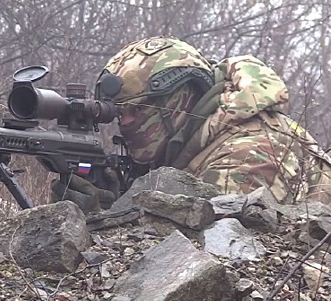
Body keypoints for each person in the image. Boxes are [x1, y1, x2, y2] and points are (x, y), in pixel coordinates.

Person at [51, 36, 331, 213]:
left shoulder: (250, 152)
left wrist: (105, 216)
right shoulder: (188, 145)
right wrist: (115, 198)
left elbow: (207, 261)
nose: (124, 123)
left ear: (183, 97)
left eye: (137, 109)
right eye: (118, 112)